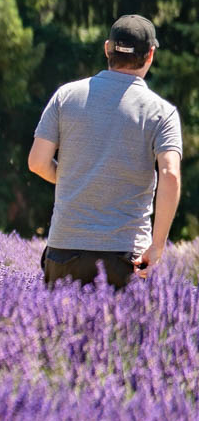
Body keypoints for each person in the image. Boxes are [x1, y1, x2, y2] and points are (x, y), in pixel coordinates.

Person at [27, 14, 183, 287]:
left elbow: (37, 162)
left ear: (107, 49)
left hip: (64, 249)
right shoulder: (162, 113)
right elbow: (170, 175)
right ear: (150, 56)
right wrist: (157, 246)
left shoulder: (65, 96)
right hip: (125, 256)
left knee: (57, 330)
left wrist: (73, 179)